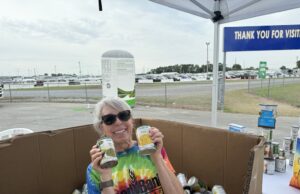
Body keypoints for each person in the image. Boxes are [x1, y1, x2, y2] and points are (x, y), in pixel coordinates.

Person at [86, 97, 184, 194]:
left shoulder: (154, 150)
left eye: (124, 115)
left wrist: (157, 158)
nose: (118, 122)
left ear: (131, 120)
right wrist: (105, 176)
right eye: (109, 119)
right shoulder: (96, 168)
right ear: (101, 127)